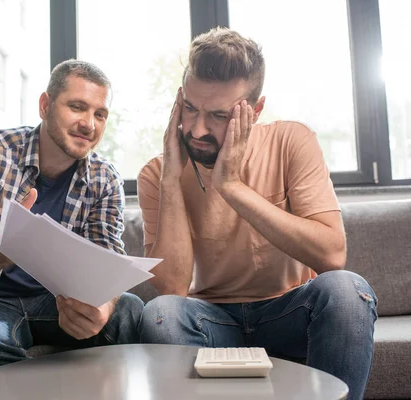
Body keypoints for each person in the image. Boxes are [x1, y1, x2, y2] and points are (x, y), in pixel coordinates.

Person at [137, 27, 377, 400]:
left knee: (348, 291)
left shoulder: (292, 141)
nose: (197, 129)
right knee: (161, 313)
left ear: (255, 109)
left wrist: (231, 187)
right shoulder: (157, 174)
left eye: (217, 115)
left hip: (290, 314)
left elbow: (332, 256)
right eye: (189, 108)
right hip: (211, 320)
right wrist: (171, 179)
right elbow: (172, 290)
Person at [0, 60, 143, 377]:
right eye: (77, 107)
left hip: (57, 302)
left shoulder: (104, 179)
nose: (89, 124)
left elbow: (107, 257)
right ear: (45, 105)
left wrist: (102, 307)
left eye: (100, 114)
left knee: (129, 309)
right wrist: (13, 241)